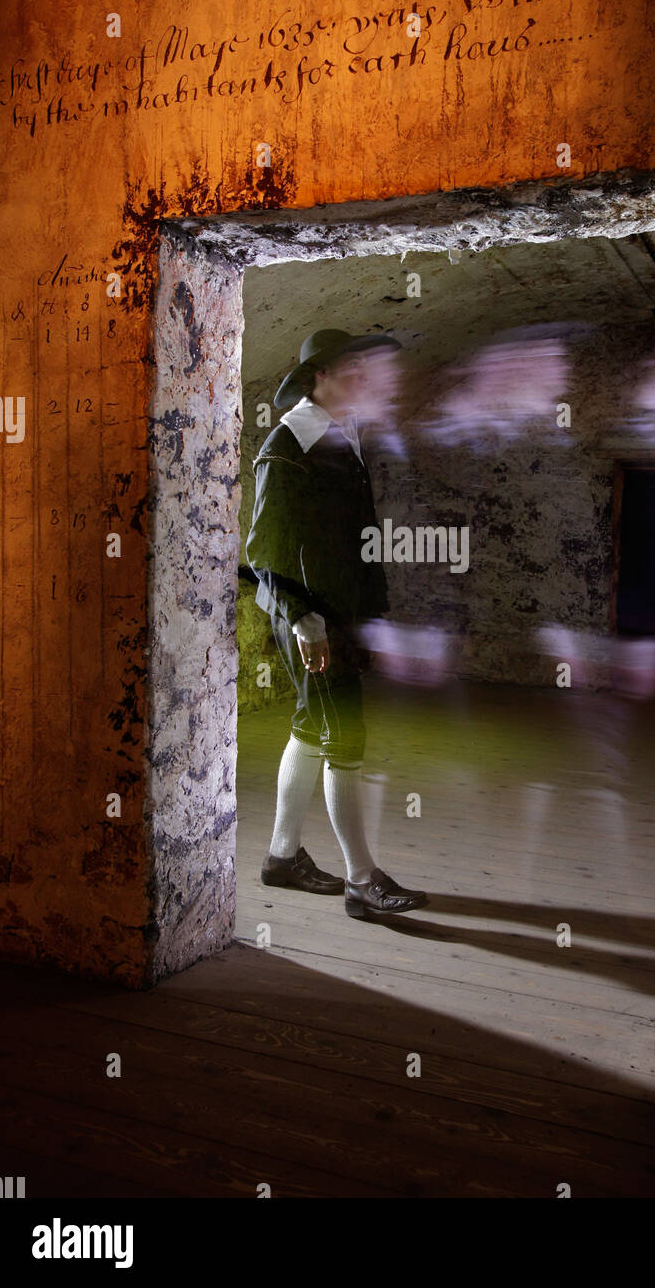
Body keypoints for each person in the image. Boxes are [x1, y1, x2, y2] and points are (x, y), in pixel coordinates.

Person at [245, 328, 428, 919]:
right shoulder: (285, 447)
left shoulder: (341, 435)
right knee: (343, 740)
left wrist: (370, 615)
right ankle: (361, 880)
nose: (364, 380)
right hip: (310, 620)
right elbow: (263, 554)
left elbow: (353, 541)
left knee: (309, 726)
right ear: (317, 376)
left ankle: (280, 857)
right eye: (352, 369)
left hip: (339, 617)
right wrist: (305, 621)